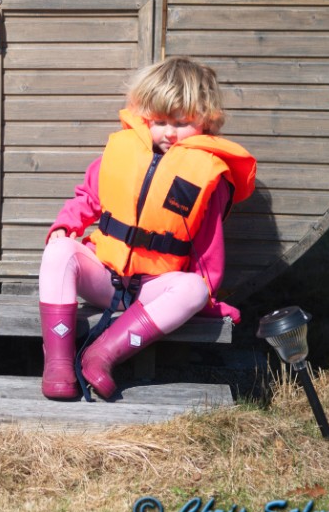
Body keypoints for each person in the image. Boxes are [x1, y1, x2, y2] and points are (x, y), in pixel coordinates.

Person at [38, 56, 256, 401]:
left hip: (152, 291)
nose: (169, 132)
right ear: (145, 117)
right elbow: (87, 199)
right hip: (104, 278)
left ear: (206, 119)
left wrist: (208, 300)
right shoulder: (122, 152)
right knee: (58, 250)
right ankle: (58, 364)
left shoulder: (207, 175)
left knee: (194, 290)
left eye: (181, 123)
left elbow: (208, 251)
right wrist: (65, 226)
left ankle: (102, 356)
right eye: (160, 121)